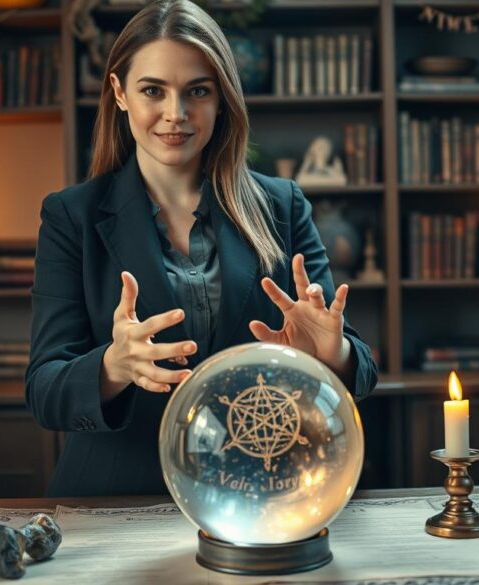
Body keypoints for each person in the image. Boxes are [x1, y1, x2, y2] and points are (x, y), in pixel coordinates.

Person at [26, 0, 378, 497]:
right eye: (153, 90)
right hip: (115, 501)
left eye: (198, 91)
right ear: (120, 93)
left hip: (263, 496)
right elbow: (44, 392)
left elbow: (360, 371)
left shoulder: (283, 205)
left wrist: (332, 352)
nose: (177, 114)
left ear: (222, 100)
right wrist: (112, 366)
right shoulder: (70, 217)